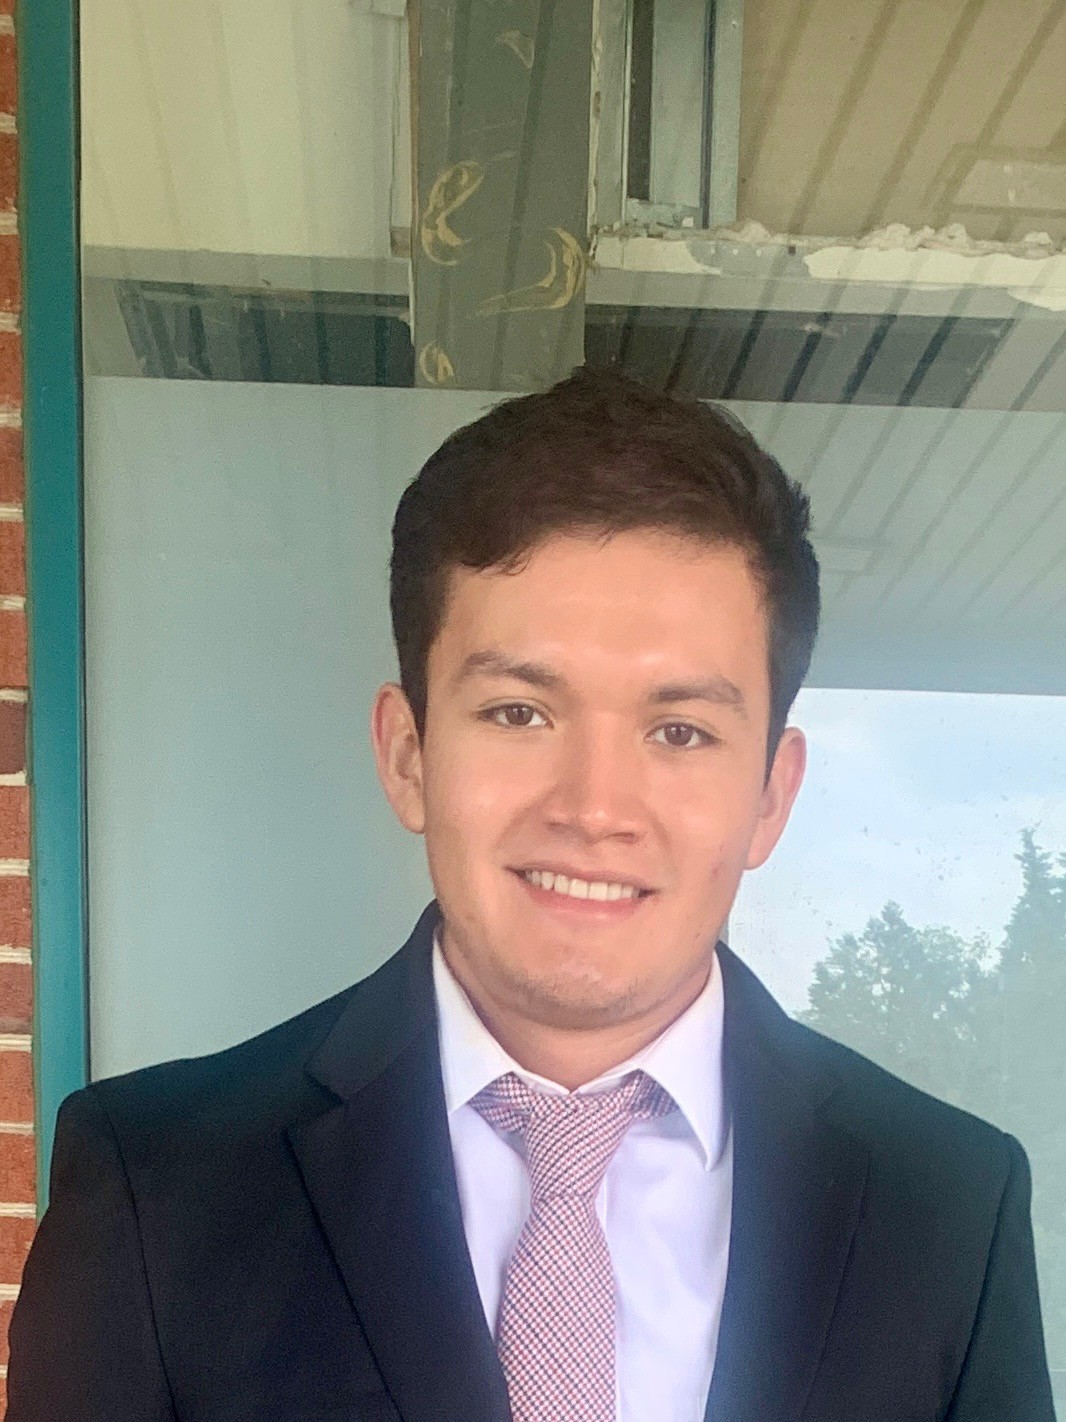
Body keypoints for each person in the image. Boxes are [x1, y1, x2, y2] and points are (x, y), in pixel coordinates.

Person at [7, 368, 1055, 1421]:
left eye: (679, 731)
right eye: (517, 713)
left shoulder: (947, 1207)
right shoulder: (159, 1186)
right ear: (408, 754)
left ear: (772, 796)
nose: (595, 808)